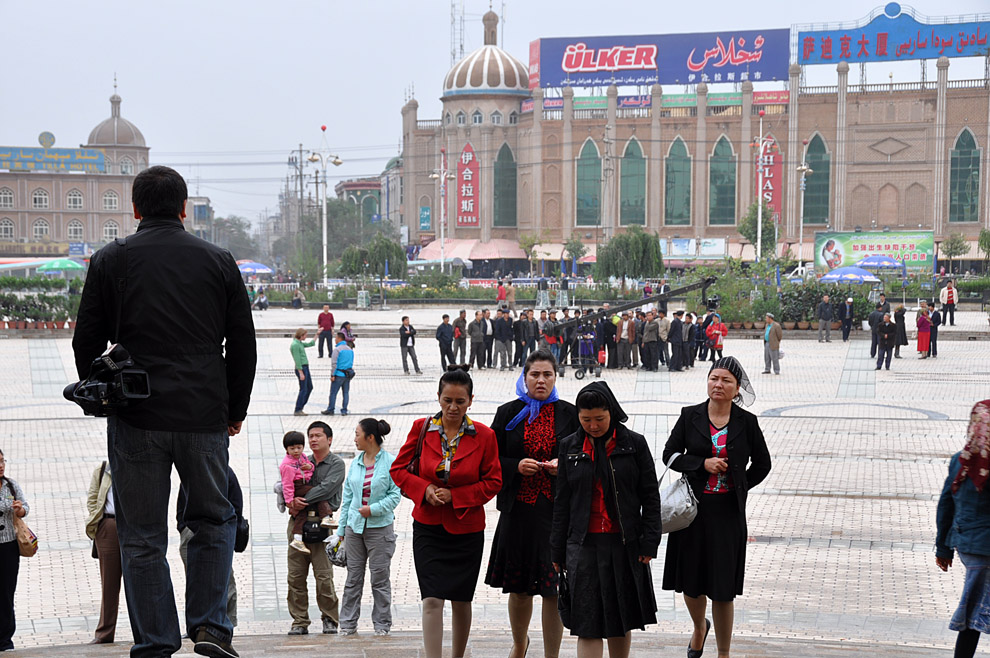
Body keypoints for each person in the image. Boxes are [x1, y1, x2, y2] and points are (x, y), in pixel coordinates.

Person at [71, 166, 256, 658]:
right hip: (203, 415)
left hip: (136, 417)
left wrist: (102, 394)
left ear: (134, 209)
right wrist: (234, 408)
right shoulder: (217, 260)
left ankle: (155, 641)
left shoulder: (112, 259)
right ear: (183, 207)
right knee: (213, 521)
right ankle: (211, 629)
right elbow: (242, 342)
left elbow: (86, 338)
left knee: (141, 534)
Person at [662, 356, 771, 658]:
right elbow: (669, 454)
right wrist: (701, 464)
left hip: (727, 514)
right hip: (692, 511)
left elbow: (763, 463)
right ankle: (699, 626)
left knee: (723, 589)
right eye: (714, 378)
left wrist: (740, 483)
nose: (718, 384)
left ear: (737, 389)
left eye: (726, 381)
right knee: (691, 584)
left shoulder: (746, 422)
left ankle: (724, 652)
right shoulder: (690, 416)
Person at [390, 367, 502, 658]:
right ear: (438, 398)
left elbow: (493, 481)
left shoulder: (485, 436)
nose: (453, 407)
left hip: (467, 529)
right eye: (447, 400)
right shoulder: (420, 428)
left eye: (459, 401)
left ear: (470, 400)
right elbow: (398, 470)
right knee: (432, 600)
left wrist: (457, 496)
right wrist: (424, 489)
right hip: (428, 526)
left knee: (462, 600)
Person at [550, 381, 661, 657]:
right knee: (586, 622)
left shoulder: (634, 444)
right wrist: (556, 549)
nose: (593, 425)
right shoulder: (569, 447)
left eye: (599, 418)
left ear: (611, 412)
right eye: (585, 419)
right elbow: (561, 502)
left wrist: (650, 541)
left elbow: (650, 496)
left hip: (623, 543)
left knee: (619, 618)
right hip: (582, 545)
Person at [485, 350, 580, 658]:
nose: (541, 380)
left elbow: (583, 457)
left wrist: (561, 466)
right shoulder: (506, 413)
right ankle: (519, 643)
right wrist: (515, 466)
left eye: (547, 375)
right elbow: (489, 461)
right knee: (520, 588)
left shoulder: (570, 413)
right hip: (519, 511)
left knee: (554, 588)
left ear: (556, 377)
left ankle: (551, 653)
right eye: (534, 375)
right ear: (523, 377)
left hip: (555, 513)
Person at [334, 418, 402, 636]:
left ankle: (382, 625)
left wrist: (373, 509)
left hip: (380, 529)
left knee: (379, 579)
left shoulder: (391, 462)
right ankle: (347, 624)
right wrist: (341, 531)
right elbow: (348, 497)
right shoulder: (356, 462)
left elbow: (395, 496)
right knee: (353, 578)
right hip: (354, 529)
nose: (354, 439)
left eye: (357, 434)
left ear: (370, 437)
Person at [935, 399, 990, 658]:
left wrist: (944, 548)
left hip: (967, 545)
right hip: (983, 548)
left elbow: (946, 504)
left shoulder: (961, 460)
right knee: (978, 608)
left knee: (974, 609)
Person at [286, 421, 346, 635]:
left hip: (322, 525)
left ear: (329, 439)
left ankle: (330, 618)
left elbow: (326, 490)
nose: (312, 439)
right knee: (295, 576)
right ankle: (299, 621)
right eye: (310, 435)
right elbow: (287, 483)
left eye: (318, 435)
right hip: (297, 525)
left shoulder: (337, 464)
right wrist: (288, 499)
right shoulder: (300, 461)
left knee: (323, 576)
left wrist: (298, 499)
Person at [177, 468, 244, 631]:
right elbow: (181, 502)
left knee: (225, 579)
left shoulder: (227, 474)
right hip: (191, 533)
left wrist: (228, 529)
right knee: (193, 582)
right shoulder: (190, 471)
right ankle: (195, 626)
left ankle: (226, 623)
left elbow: (237, 505)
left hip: (219, 533)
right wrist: (183, 527)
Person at [280, 431, 333, 552]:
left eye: (299, 447)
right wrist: (289, 502)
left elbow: (309, 466)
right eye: (292, 448)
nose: (296, 451)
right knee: (317, 493)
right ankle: (326, 516)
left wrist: (310, 467)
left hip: (303, 484)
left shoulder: (302, 457)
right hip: (298, 487)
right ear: (286, 449)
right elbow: (287, 485)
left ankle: (297, 539)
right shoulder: (287, 465)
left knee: (301, 514)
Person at [86, 461, 121, 644]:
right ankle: (104, 633)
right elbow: (92, 499)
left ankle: (144, 632)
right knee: (109, 583)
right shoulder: (102, 469)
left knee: (137, 583)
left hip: (132, 528)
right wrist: (97, 522)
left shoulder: (137, 464)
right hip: (107, 526)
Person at [0, 451, 27, 652]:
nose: (1, 466)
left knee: (6, 593)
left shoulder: (10, 485)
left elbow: (25, 506)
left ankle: (5, 639)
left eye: (2, 461)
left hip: (9, 546)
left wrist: (20, 510)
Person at [323, 332, 354, 416]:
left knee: (333, 393)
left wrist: (332, 375)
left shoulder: (337, 350)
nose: (335, 340)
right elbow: (350, 362)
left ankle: (330, 409)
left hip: (338, 374)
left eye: (336, 338)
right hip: (347, 375)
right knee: (345, 393)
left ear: (340, 339)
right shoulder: (350, 349)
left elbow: (334, 364)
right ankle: (344, 410)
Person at [291, 328, 316, 416]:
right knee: (303, 389)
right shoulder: (295, 345)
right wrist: (300, 372)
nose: (306, 337)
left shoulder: (299, 343)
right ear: (301, 335)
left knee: (309, 387)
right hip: (302, 368)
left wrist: (317, 334)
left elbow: (310, 344)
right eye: (305, 335)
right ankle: (298, 408)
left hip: (305, 367)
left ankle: (301, 406)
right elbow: (297, 360)